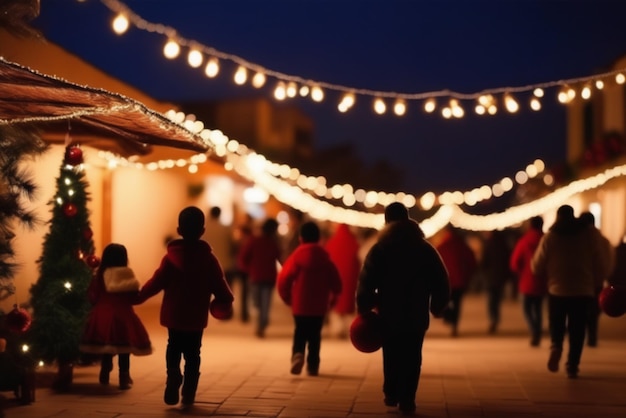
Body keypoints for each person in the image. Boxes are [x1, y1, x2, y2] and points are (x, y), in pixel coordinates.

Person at [356, 202, 450, 415]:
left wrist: (364, 305)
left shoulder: (380, 249)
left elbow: (367, 279)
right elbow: (440, 279)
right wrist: (437, 305)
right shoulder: (425, 248)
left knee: (391, 353)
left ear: (386, 221)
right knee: (413, 355)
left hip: (389, 313)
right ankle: (408, 398)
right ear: (408, 219)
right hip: (417, 313)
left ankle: (391, 392)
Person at [138, 206, 234, 407]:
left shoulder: (170, 259)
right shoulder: (209, 259)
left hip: (174, 315)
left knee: (173, 346)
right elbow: (220, 286)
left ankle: (173, 374)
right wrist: (223, 300)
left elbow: (156, 282)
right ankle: (189, 391)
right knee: (193, 353)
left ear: (179, 230)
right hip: (195, 317)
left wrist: (138, 296)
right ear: (202, 231)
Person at [531, 205, 612, 378]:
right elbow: (599, 260)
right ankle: (572, 365)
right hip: (583, 289)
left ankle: (556, 346)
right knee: (578, 328)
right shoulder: (588, 235)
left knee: (556, 323)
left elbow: (537, 265)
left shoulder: (550, 237)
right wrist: (598, 281)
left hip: (557, 288)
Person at [79, 243, 153, 390]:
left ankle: (105, 372)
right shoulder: (127, 276)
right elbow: (133, 298)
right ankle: (124, 377)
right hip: (123, 316)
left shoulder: (99, 276)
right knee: (123, 349)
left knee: (107, 347)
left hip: (103, 315)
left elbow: (93, 296)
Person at [277, 221, 342, 376]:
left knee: (300, 331)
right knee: (315, 336)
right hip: (319, 306)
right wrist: (333, 298)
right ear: (319, 238)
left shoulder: (295, 258)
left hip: (299, 304)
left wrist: (287, 297)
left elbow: (283, 278)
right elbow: (336, 282)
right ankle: (313, 365)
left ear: (300, 238)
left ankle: (297, 354)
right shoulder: (325, 259)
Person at [239, 217, 282, 338]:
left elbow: (243, 257)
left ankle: (260, 324)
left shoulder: (254, 241)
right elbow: (279, 257)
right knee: (265, 302)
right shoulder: (273, 243)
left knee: (256, 302)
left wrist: (248, 269)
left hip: (256, 276)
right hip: (268, 276)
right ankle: (262, 323)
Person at [579, 211, 614, 347]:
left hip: (582, 281)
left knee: (580, 311)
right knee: (594, 311)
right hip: (597, 281)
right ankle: (592, 336)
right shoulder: (603, 239)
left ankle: (582, 335)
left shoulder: (579, 239)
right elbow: (609, 261)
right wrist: (604, 275)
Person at [510, 216, 546, 346]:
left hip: (527, 281)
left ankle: (534, 329)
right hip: (543, 281)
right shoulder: (546, 240)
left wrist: (521, 272)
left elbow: (515, 262)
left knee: (527, 309)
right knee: (538, 308)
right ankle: (538, 330)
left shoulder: (524, 241)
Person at [435, 224, 477, 336]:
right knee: (457, 304)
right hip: (459, 280)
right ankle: (454, 324)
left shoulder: (441, 245)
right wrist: (467, 274)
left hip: (445, 281)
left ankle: (449, 317)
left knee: (444, 302)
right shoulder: (462, 245)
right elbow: (471, 261)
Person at [325, 223, 360, 338]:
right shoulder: (353, 242)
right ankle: (348, 329)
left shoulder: (332, 242)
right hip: (350, 279)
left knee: (336, 305)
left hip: (335, 279)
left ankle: (337, 329)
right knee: (348, 304)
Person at [480, 229, 515, 334]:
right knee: (497, 299)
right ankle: (495, 319)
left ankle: (493, 319)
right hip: (500, 277)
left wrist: (484, 272)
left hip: (490, 277)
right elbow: (509, 260)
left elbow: (483, 261)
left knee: (491, 300)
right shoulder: (504, 246)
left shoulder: (488, 244)